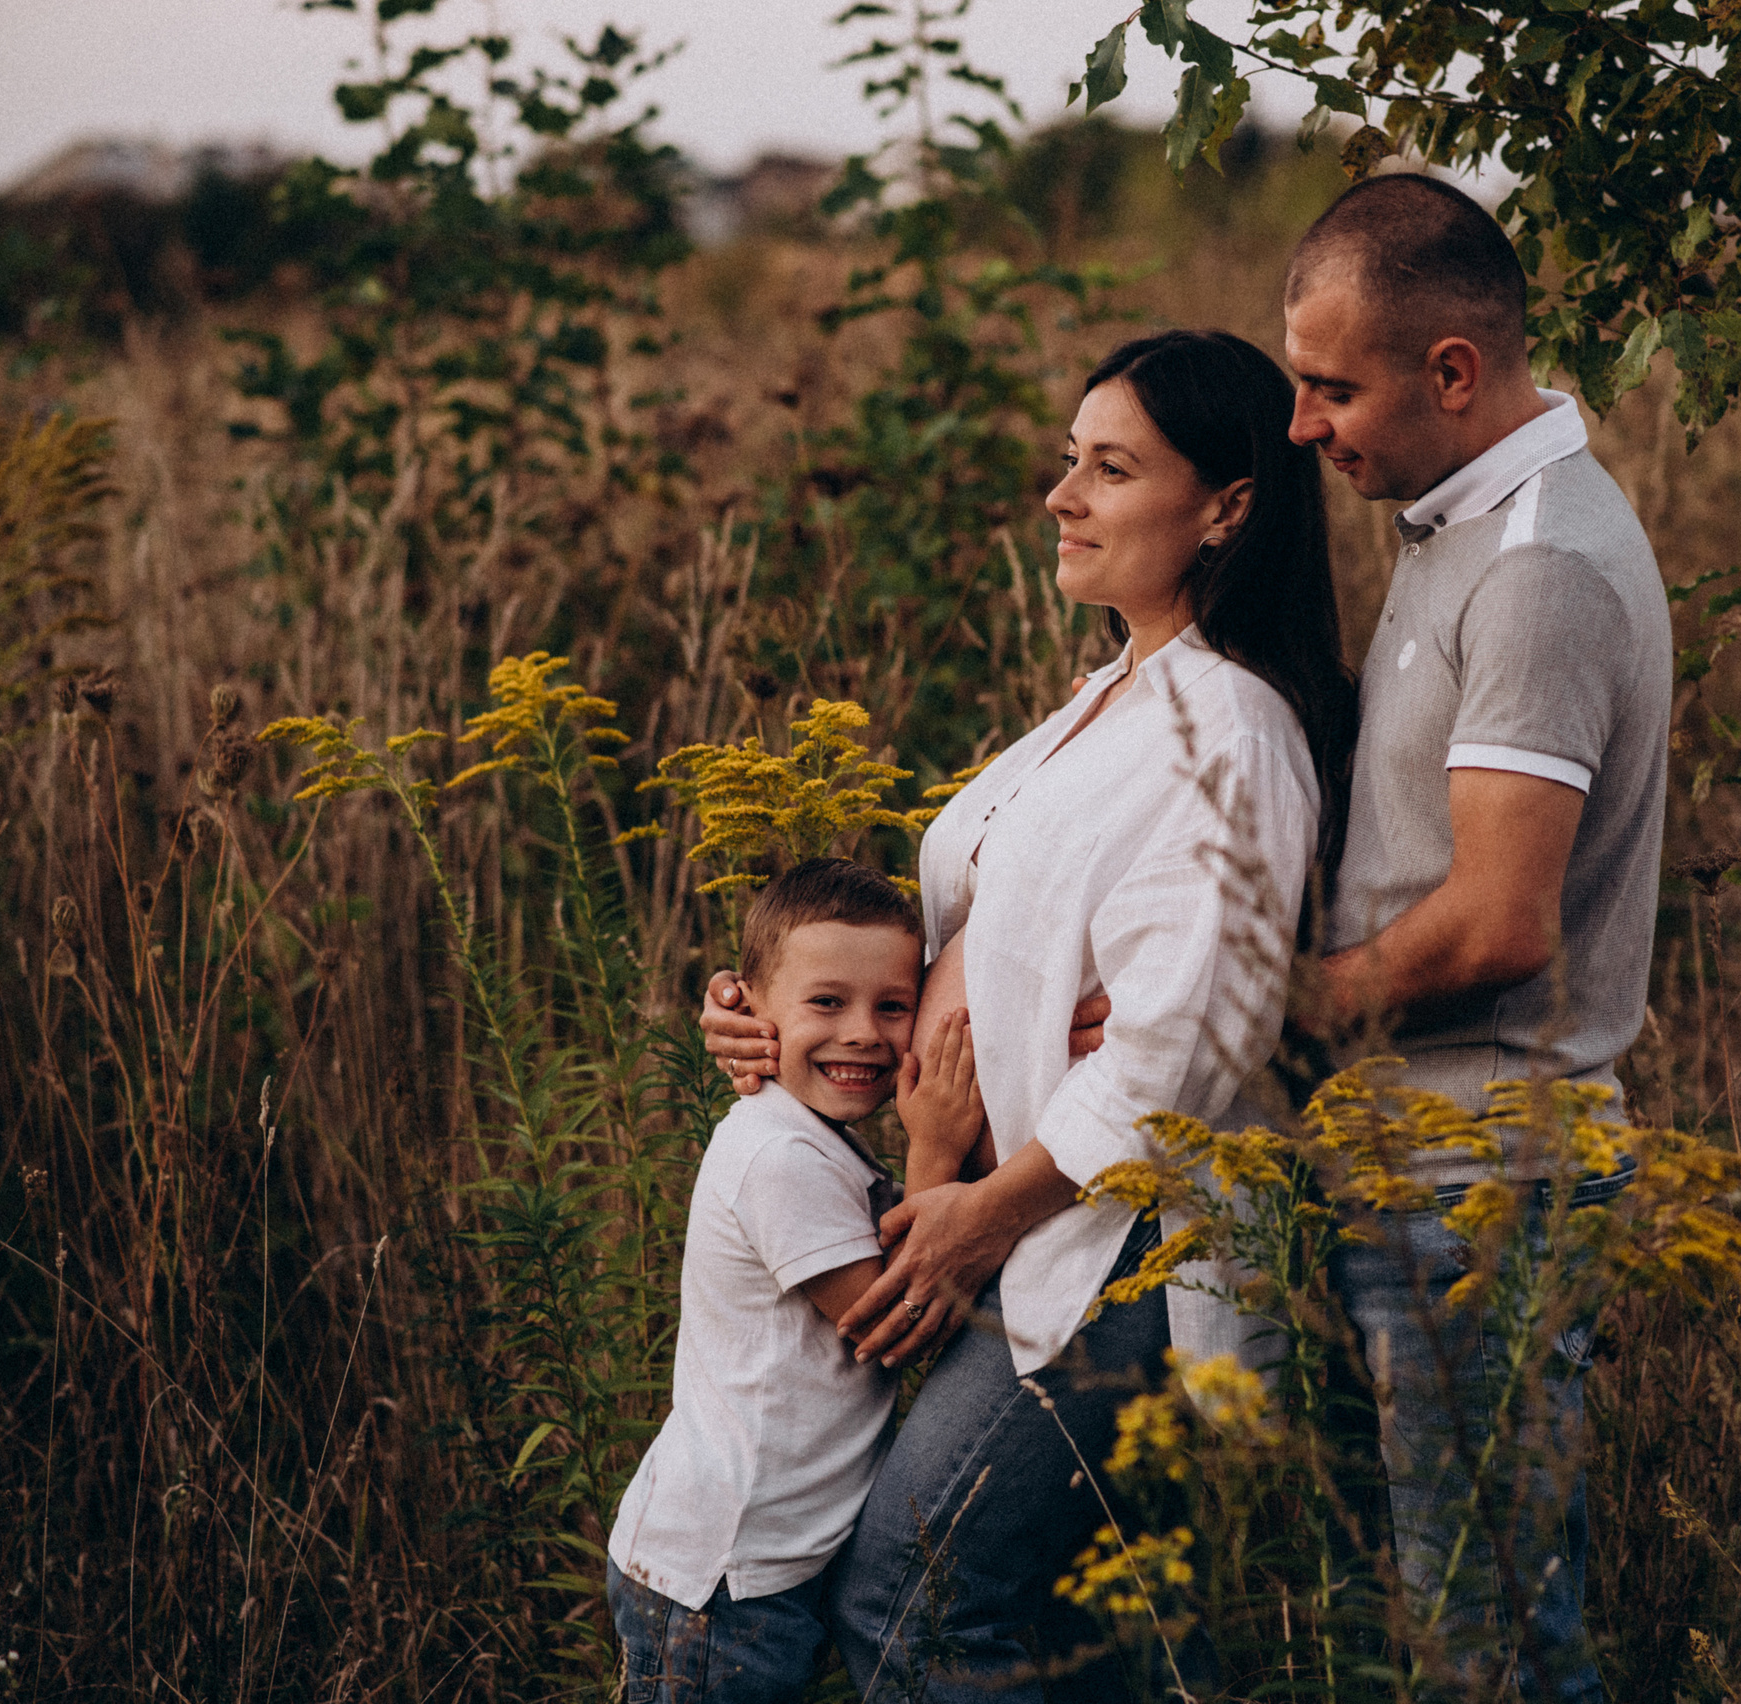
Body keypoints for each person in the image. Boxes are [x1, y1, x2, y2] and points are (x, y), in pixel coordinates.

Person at [705, 328, 1355, 1702]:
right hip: (1013, 1219)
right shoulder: (1113, 693)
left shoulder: (1230, 730)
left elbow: (1194, 1039)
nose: (1060, 497)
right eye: (1069, 463)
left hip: (1108, 1248)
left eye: (1109, 470)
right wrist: (796, 1020)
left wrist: (987, 1210)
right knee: (1076, 1635)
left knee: (918, 1604)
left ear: (1227, 506)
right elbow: (983, 950)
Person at [1280, 171, 1674, 1704]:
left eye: (1332, 388)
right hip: (1417, 1168)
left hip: (1481, 1193)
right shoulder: (1458, 525)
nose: (1307, 425)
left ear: (1454, 371)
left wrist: (1271, 1010)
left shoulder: (1539, 571)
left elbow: (1501, 919)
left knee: (1489, 1653)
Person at [606, 857, 985, 1703]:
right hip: (721, 1588)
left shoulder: (812, 1136)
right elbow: (897, 1324)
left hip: (763, 1571)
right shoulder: (780, 1156)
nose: (863, 1033)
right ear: (750, 1008)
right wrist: (935, 1149)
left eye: (893, 1007)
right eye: (827, 1003)